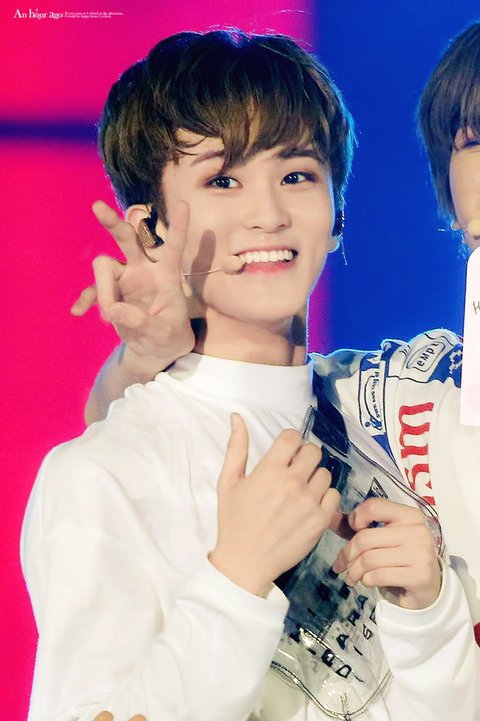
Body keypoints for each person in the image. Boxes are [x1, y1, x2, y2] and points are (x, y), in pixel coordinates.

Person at [22, 29, 478, 721]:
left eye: (297, 175)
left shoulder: (387, 403)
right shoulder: (101, 475)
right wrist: (234, 582)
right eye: (222, 180)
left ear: (338, 214)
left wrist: (428, 618)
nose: (268, 215)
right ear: (149, 230)